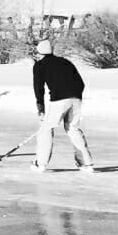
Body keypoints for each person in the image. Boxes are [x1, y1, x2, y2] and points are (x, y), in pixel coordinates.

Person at [31, 38, 93, 173]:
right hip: (76, 98)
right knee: (73, 128)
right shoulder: (65, 62)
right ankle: (86, 163)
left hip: (59, 100)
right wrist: (75, 97)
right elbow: (81, 83)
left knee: (45, 130)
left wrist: (40, 108)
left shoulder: (39, 65)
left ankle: (40, 163)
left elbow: (38, 88)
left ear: (40, 52)